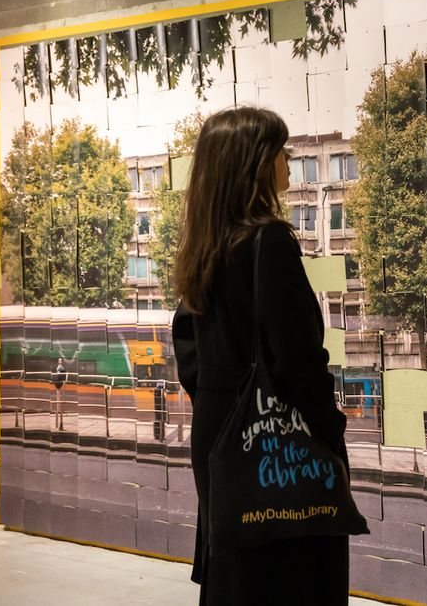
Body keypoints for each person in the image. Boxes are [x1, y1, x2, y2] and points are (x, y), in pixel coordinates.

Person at [171, 107, 351, 605]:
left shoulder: (204, 248)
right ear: (254, 162)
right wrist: (331, 434)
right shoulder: (267, 242)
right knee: (290, 579)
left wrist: (224, 402)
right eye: (280, 149)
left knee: (238, 579)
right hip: (277, 448)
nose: (288, 159)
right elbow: (298, 361)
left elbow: (189, 350)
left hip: (221, 441)